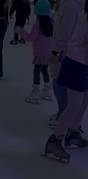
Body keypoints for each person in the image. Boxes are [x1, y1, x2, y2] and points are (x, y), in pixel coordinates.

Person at [43, 0, 88, 163]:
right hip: (76, 63)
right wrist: (56, 52)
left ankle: (72, 133)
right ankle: (55, 140)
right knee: (74, 105)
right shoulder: (72, 7)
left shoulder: (78, 7)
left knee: (83, 102)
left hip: (81, 63)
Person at [49, 0, 85, 128]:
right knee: (60, 82)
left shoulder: (69, 6)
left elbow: (64, 31)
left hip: (64, 51)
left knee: (59, 82)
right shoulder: (69, 5)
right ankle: (64, 114)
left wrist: (55, 52)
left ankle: (64, 116)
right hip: (68, 50)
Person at [15, 0, 53, 104]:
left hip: (39, 53)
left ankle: (35, 92)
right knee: (44, 70)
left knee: (36, 71)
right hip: (47, 52)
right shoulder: (50, 22)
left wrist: (20, 30)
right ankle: (47, 91)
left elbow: (30, 38)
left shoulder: (38, 25)